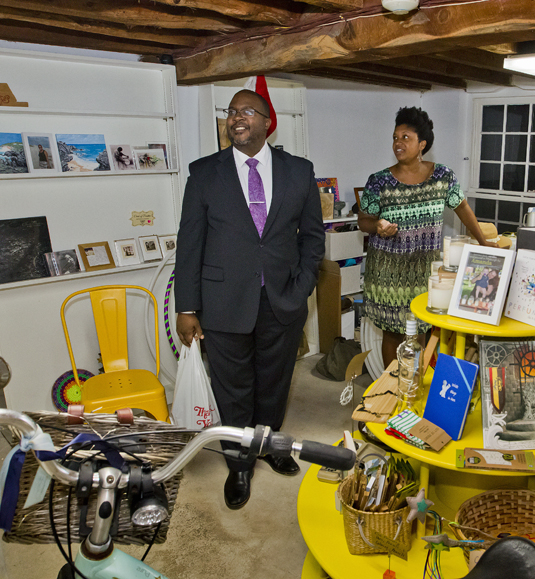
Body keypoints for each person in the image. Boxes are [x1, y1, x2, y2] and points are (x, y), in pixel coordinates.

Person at [175, 89, 324, 510]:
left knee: (275, 381)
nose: (236, 118)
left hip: (282, 299)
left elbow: (313, 237)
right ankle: (239, 463)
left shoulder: (299, 171)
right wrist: (186, 307)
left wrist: (302, 285)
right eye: (231, 112)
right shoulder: (205, 173)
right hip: (222, 301)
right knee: (234, 387)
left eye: (246, 111)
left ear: (267, 122)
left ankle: (271, 445)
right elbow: (190, 243)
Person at [358, 106, 494, 367]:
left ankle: (414, 382)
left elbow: (462, 208)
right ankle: (393, 385)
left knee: (419, 331)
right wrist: (377, 225)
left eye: (405, 137)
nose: (398, 143)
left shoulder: (442, 177)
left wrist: (483, 241)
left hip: (424, 271)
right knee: (392, 332)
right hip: (387, 274)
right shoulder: (379, 181)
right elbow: (363, 220)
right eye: (395, 137)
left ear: (422, 144)